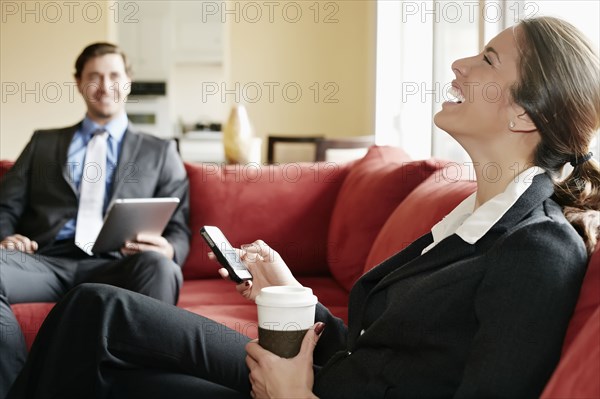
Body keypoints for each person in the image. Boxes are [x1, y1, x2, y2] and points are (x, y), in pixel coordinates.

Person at [6, 16, 600, 399]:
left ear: (524, 114)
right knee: (104, 341)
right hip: (320, 373)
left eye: (489, 61)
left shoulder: (538, 252)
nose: (459, 65)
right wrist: (289, 295)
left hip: (308, 391)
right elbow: (379, 346)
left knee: (98, 314)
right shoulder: (474, 219)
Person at [0, 43, 190, 397]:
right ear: (78, 82)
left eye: (114, 75)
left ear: (128, 82)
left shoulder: (160, 152)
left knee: (161, 268)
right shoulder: (43, 143)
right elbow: (5, 207)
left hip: (118, 265)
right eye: (94, 77)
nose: (105, 85)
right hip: (44, 262)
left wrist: (168, 248)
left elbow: (179, 228)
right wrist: (7, 237)